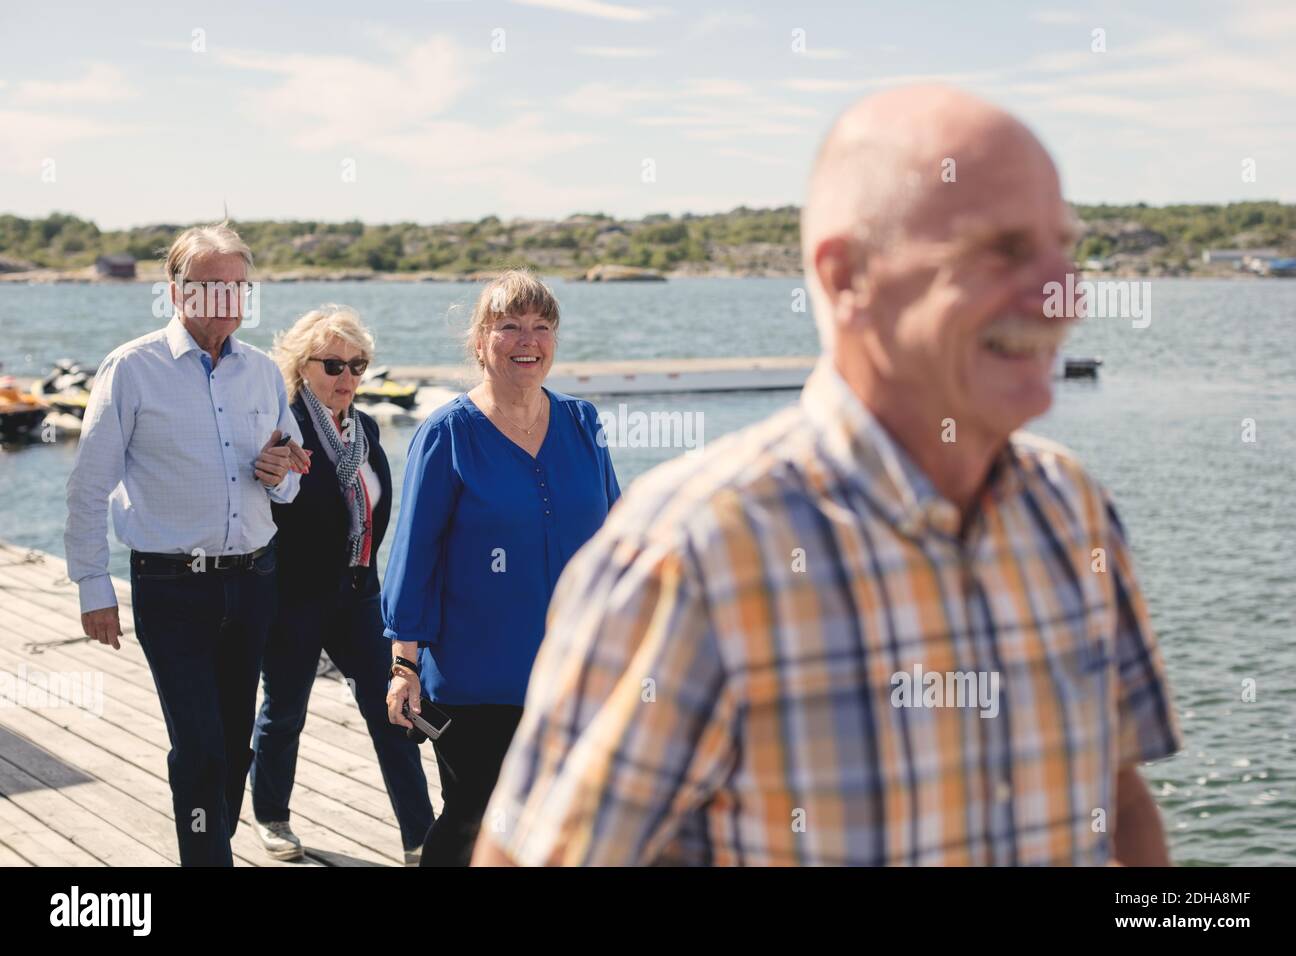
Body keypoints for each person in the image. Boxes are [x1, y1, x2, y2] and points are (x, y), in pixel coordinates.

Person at [474, 86, 1182, 866]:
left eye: (1064, 250)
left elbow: (1120, 801)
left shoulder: (1073, 511)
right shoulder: (695, 553)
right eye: (1004, 252)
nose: (1066, 296)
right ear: (847, 277)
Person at [65, 222, 310, 866]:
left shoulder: (262, 373)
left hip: (254, 582)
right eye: (208, 287)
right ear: (176, 293)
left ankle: (210, 836)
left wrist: (278, 472)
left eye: (237, 287)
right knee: (199, 745)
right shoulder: (132, 369)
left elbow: (287, 485)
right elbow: (89, 487)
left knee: (232, 746)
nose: (225, 300)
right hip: (172, 588)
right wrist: (93, 585)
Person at [383, 270, 621, 866]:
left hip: (573, 673)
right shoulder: (448, 434)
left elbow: (619, 541)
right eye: (509, 326)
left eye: (542, 327)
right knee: (475, 819)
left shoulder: (582, 424)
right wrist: (403, 664)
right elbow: (415, 556)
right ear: (481, 340)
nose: (528, 340)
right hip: (474, 679)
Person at [250, 305, 433, 865]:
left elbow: (377, 515)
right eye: (333, 365)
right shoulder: (282, 429)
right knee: (285, 711)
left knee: (394, 711)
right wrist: (266, 467)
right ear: (302, 366)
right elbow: (262, 502)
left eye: (359, 365)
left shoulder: (368, 429)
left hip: (359, 595)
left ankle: (421, 838)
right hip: (295, 598)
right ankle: (272, 815)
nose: (348, 378)